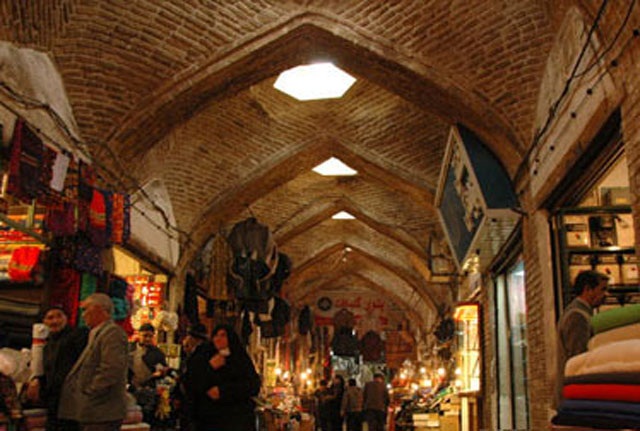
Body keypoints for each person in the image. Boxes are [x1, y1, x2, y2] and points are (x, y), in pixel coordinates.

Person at [58, 293, 129, 431]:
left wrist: (91, 390)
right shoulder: (97, 332)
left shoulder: (112, 333)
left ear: (99, 309)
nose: (83, 315)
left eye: (86, 309)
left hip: (102, 410)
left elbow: (111, 368)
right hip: (94, 410)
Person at [183, 323, 260, 431]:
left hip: (236, 418)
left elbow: (253, 385)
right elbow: (191, 381)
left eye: (223, 335)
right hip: (208, 418)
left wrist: (223, 391)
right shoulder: (202, 354)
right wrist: (210, 367)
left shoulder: (240, 357)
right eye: (216, 335)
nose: (218, 339)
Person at [26, 306, 88, 431]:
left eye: (59, 316)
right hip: (53, 399)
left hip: (71, 398)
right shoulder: (47, 343)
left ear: (66, 318)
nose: (55, 321)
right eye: (50, 318)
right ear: (44, 321)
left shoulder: (78, 335)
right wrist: (36, 380)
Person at [554, 270, 609, 409]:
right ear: (588, 289)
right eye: (602, 289)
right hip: (574, 396)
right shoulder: (577, 316)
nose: (606, 294)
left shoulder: (577, 312)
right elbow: (578, 359)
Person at [129, 323, 167, 390]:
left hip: (149, 388)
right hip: (130, 387)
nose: (148, 339)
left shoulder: (157, 353)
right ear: (139, 334)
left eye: (150, 336)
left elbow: (163, 370)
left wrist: (160, 373)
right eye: (145, 336)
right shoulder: (130, 349)